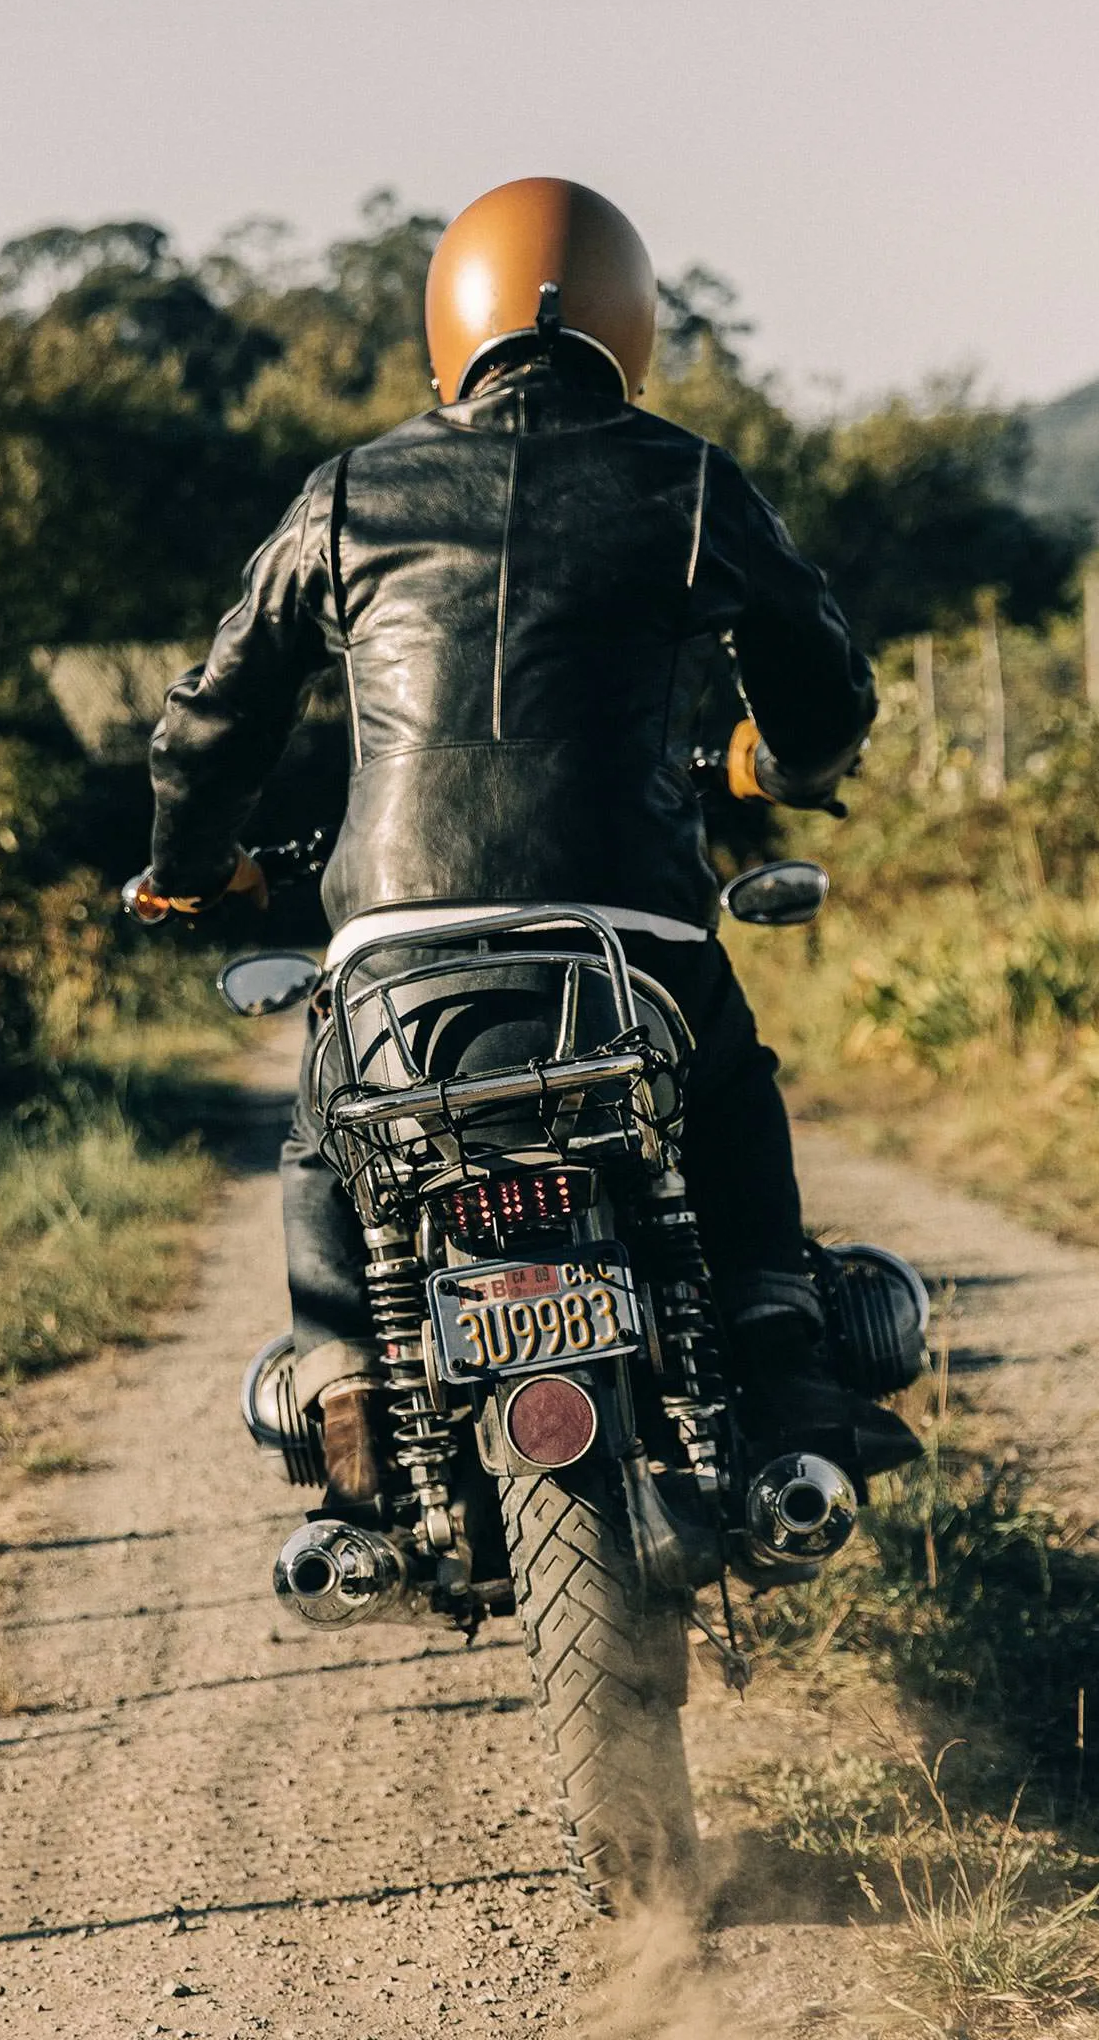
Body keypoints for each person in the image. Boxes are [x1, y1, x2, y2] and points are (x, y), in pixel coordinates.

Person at [135, 177, 900, 1495]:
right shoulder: (691, 482)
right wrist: (779, 764)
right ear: (631, 323)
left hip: (395, 936)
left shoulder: (347, 494)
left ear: (454, 324)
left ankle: (344, 1385)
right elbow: (825, 693)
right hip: (637, 926)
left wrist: (189, 871)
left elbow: (216, 716)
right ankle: (779, 1342)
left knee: (333, 1121)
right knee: (724, 1087)